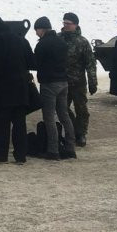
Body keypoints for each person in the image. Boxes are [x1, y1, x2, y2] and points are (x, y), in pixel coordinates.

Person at [0, 14, 35, 164]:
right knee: (19, 123)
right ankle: (21, 156)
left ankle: (1, 154)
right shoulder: (20, 39)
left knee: (2, 124)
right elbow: (32, 62)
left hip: (3, 90)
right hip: (20, 88)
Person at [33, 16, 76, 160]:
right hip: (63, 82)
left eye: (36, 30)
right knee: (64, 115)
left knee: (49, 118)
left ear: (41, 29)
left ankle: (53, 150)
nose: (36, 33)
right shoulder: (61, 42)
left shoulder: (42, 45)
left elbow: (35, 63)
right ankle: (70, 148)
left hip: (49, 84)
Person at [60, 11, 97, 146]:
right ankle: (73, 130)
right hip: (62, 81)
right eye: (64, 23)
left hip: (78, 82)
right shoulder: (59, 39)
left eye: (68, 23)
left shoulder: (82, 42)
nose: (66, 26)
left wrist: (93, 82)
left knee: (81, 109)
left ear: (75, 25)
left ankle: (81, 134)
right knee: (62, 108)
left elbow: (90, 64)